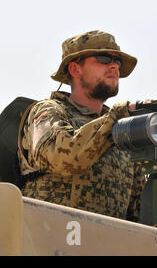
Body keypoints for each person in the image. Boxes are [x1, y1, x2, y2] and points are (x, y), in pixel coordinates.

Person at [18, 30, 145, 222]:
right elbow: (63, 157)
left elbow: (138, 210)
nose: (114, 66)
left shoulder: (120, 130)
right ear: (75, 69)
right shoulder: (47, 111)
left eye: (117, 62)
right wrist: (119, 115)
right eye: (103, 58)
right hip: (49, 242)